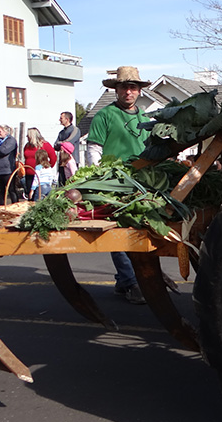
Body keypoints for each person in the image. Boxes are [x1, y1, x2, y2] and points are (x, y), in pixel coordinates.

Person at [86, 66, 150, 304]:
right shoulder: (105, 116)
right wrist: (99, 177)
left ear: (139, 91)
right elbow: (94, 149)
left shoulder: (145, 119)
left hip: (142, 183)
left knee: (138, 232)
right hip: (113, 182)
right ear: (116, 90)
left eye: (133, 87)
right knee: (117, 233)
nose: (128, 92)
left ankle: (125, 280)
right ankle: (131, 282)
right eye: (124, 87)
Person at [23, 128, 56, 195]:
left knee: (39, 195)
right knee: (30, 193)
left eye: (28, 135)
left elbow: (53, 157)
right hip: (29, 174)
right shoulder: (27, 146)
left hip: (40, 175)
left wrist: (47, 167)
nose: (27, 137)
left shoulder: (45, 145)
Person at [54, 111, 81, 185]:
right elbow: (55, 145)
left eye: (61, 118)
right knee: (62, 183)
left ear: (67, 119)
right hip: (62, 161)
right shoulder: (61, 133)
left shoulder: (75, 130)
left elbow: (69, 142)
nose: (59, 120)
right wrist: (61, 144)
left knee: (72, 183)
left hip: (72, 161)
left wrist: (60, 143)